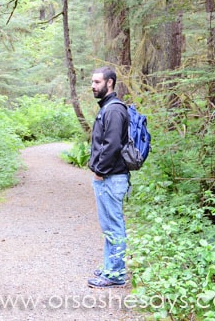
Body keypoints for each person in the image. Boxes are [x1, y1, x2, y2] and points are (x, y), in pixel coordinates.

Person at [87, 66, 130, 289]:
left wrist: (99, 171)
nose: (93, 86)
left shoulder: (113, 110)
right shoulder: (108, 108)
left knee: (113, 225)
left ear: (109, 83)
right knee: (109, 225)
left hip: (111, 178)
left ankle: (115, 274)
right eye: (93, 82)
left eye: (97, 82)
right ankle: (110, 266)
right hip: (110, 176)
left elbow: (112, 145)